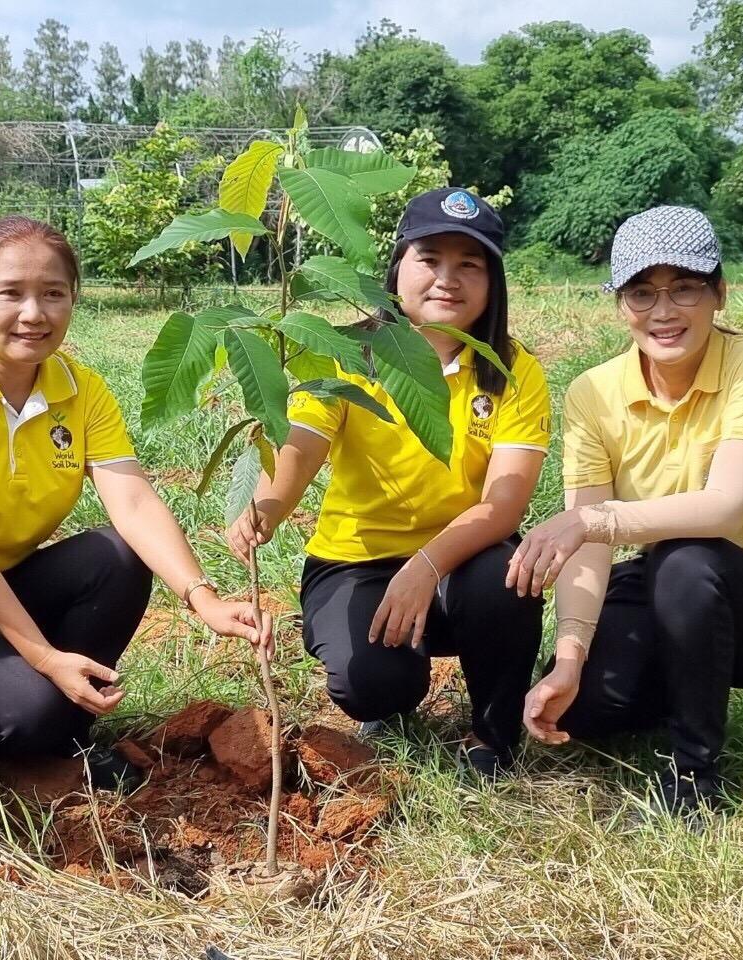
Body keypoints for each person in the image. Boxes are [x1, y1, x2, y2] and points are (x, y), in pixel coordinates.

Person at [0, 215, 272, 786]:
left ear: (73, 300)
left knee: (118, 555)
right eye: (11, 293)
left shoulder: (81, 389)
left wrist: (202, 597)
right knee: (29, 715)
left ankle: (64, 724)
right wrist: (43, 657)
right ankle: (20, 731)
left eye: (53, 294)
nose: (34, 314)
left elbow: (131, 501)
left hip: (5, 576)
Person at [511, 206, 743, 816]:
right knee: (588, 705)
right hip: (660, 577)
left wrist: (593, 521)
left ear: (719, 293)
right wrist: (571, 656)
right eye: (642, 292)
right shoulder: (593, 393)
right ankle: (683, 678)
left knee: (688, 559)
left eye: (684, 287)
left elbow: (726, 509)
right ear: (619, 304)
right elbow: (594, 547)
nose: (663, 312)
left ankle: (695, 777)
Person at [227, 188, 551, 779]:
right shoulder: (346, 354)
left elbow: (504, 505)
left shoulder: (512, 370)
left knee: (506, 581)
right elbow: (301, 446)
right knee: (368, 682)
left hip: (462, 557)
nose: (447, 279)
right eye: (429, 258)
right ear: (398, 264)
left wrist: (425, 567)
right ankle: (393, 696)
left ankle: (492, 734)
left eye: (469, 264)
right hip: (356, 561)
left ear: (493, 280)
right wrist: (266, 506)